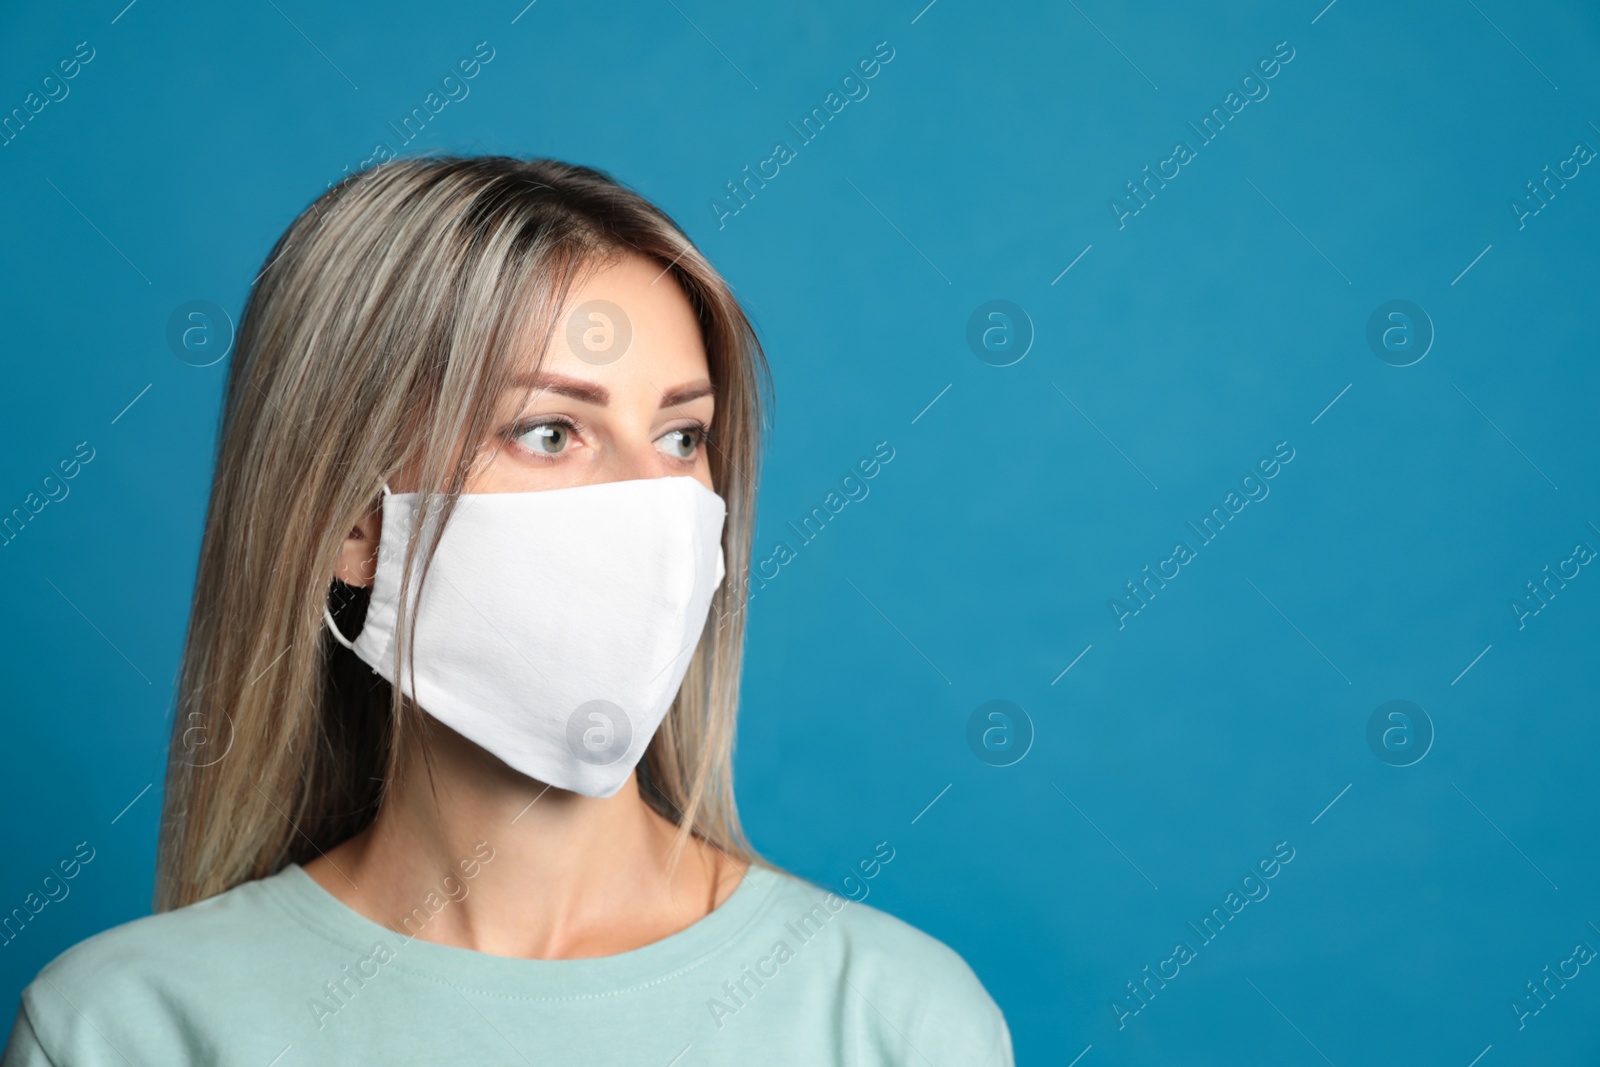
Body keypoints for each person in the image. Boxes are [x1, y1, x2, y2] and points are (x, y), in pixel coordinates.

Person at [1, 155, 1013, 1065]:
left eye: (680, 437)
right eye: (549, 431)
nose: (654, 502)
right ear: (354, 519)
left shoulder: (896, 1020)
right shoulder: (124, 1028)